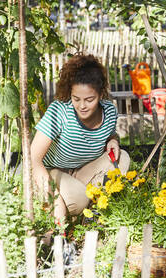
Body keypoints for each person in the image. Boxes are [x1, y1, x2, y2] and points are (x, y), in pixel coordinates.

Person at [31, 53, 130, 219]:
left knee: (123, 158)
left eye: (89, 99)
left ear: (100, 94)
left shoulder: (109, 111)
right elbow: (33, 158)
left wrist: (113, 140)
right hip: (50, 172)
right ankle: (68, 207)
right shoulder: (60, 111)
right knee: (77, 199)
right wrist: (55, 201)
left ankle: (91, 210)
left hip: (79, 172)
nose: (82, 106)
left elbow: (109, 133)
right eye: (76, 98)